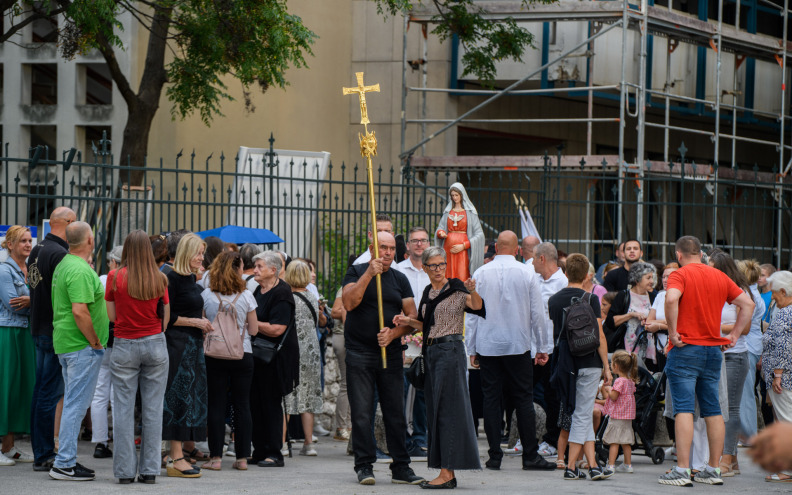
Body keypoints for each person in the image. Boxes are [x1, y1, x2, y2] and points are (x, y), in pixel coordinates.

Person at [658, 236, 754, 487]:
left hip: (686, 347)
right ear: (701, 253)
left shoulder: (681, 274)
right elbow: (748, 304)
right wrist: (733, 335)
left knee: (684, 408)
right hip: (713, 351)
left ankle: (682, 469)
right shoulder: (719, 276)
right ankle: (713, 468)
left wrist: (672, 331)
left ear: (679, 255)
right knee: (713, 410)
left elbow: (670, 299)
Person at [393, 246, 484, 488]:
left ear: (446, 265)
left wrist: (473, 292)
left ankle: (447, 473)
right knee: (436, 411)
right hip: (432, 352)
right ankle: (447, 472)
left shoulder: (455, 288)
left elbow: (476, 306)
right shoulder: (427, 292)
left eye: (441, 264)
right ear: (424, 267)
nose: (437, 269)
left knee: (447, 411)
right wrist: (407, 320)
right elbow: (426, 325)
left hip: (450, 352)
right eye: (432, 265)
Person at [467, 230, 554, 471]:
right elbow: (538, 314)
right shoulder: (527, 273)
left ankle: (494, 455)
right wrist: (543, 347)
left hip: (489, 345)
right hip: (518, 344)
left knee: (492, 399)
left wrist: (471, 348)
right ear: (517, 250)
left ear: (495, 248)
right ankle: (530, 455)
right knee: (523, 399)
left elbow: (473, 312)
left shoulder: (481, 273)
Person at [342, 231, 424, 486]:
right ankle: (364, 465)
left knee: (395, 412)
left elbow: (414, 320)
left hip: (390, 353)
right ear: (372, 248)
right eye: (383, 248)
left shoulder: (400, 279)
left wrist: (394, 333)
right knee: (362, 413)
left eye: (391, 248)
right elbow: (348, 302)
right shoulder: (356, 272)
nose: (388, 252)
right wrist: (369, 274)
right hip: (359, 353)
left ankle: (401, 466)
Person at [105, 230, 170, 484]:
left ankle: (124, 472)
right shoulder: (160, 278)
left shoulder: (114, 276)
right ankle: (150, 471)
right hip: (154, 342)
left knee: (123, 409)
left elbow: (111, 316)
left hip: (124, 343)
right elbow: (164, 317)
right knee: (153, 410)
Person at [49, 221, 109, 481]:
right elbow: (79, 310)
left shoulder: (64, 264)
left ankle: (66, 460)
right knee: (75, 404)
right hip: (80, 346)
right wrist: (95, 341)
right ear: (90, 241)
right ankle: (64, 463)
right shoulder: (81, 270)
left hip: (68, 343)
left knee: (73, 402)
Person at [548, 253, 613, 481]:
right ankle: (571, 466)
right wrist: (607, 367)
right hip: (589, 361)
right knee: (583, 414)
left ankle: (593, 465)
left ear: (565, 273)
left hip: (565, 362)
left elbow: (557, 334)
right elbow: (600, 336)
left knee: (579, 412)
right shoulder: (591, 299)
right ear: (587, 274)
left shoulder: (553, 300)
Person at [27, 206, 76, 471]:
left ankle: (40, 449)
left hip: (39, 327)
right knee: (49, 394)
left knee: (41, 392)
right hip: (53, 331)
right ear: (68, 223)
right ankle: (44, 453)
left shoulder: (39, 249)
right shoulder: (59, 254)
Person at [201, 251, 258, 471]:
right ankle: (242, 458)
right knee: (242, 404)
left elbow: (203, 323)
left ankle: (215, 458)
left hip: (214, 355)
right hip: (242, 355)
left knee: (216, 404)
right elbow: (253, 329)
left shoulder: (206, 295)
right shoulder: (246, 296)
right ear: (237, 269)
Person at [163, 233, 212, 478]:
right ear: (186, 253)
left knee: (188, 400)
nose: (201, 258)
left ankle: (177, 454)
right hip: (177, 346)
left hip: (190, 346)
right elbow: (165, 318)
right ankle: (175, 457)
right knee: (178, 400)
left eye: (202, 253)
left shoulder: (188, 278)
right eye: (198, 253)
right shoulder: (171, 278)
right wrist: (195, 322)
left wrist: (199, 324)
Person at [249, 251, 298, 468]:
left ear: (273, 270)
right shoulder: (258, 289)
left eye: (259, 266)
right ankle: (259, 450)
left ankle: (274, 453)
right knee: (255, 403)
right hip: (258, 356)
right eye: (255, 266)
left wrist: (250, 322)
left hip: (275, 358)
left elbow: (278, 328)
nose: (255, 270)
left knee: (270, 404)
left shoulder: (282, 292)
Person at [708, 251, 754, 477]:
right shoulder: (715, 289)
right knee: (722, 407)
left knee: (731, 409)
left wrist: (712, 326)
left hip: (735, 354)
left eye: (711, 266)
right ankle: (733, 459)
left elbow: (744, 328)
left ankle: (726, 458)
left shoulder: (740, 292)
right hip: (719, 353)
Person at [394, 226, 431, 457]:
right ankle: (402, 437)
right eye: (414, 241)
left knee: (424, 388)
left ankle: (420, 436)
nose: (419, 244)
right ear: (407, 245)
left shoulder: (434, 270)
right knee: (402, 388)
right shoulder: (398, 270)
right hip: (403, 336)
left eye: (423, 240)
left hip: (426, 337)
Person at [0, 226, 35, 465]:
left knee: (19, 389)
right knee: (5, 387)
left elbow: (33, 301)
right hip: (8, 332)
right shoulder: (4, 271)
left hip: (25, 333)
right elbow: (13, 304)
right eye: (22, 240)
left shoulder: (30, 270)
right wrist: (38, 304)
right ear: (10, 244)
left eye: (29, 240)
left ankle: (9, 446)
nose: (28, 244)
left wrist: (32, 302)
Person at [530, 242, 567, 459]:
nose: (532, 262)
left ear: (542, 259)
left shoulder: (563, 283)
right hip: (531, 347)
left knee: (553, 396)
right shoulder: (532, 279)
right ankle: (526, 438)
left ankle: (551, 441)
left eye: (534, 258)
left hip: (553, 348)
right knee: (523, 393)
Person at [284, 260, 324, 456]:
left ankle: (282, 444)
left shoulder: (287, 298)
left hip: (291, 350)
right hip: (311, 352)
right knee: (307, 396)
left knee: (287, 395)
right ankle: (309, 444)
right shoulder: (312, 297)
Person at [91, 245, 123, 460]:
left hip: (103, 339)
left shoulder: (102, 279)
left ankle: (100, 442)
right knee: (119, 393)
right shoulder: (130, 279)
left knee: (100, 393)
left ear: (113, 261)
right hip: (122, 339)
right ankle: (121, 439)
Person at [760, 270, 792, 482]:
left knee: (786, 422)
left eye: (774, 294)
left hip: (784, 377)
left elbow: (783, 345)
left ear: (783, 291)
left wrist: (777, 374)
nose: (772, 298)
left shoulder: (785, 313)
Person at [735, 260, 765, 448]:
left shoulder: (747, 294)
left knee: (745, 393)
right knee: (745, 392)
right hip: (754, 345)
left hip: (749, 346)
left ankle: (748, 435)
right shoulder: (754, 293)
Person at [604, 262, 657, 363]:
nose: (651, 281)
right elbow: (610, 322)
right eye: (648, 278)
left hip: (648, 350)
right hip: (625, 351)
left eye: (652, 277)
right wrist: (631, 315)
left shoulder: (653, 296)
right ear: (637, 280)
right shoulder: (623, 296)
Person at [434, 183, 484, 281]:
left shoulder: (470, 212)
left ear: (462, 195)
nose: (454, 197)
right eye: (452, 195)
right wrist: (441, 233)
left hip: (463, 251)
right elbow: (440, 228)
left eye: (456, 195)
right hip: (448, 249)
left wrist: (464, 246)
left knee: (462, 274)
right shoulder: (448, 212)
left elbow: (480, 234)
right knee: (448, 274)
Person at [603, 350, 639, 474]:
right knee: (625, 441)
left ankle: (611, 465)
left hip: (618, 415)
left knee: (614, 441)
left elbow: (614, 396)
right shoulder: (630, 381)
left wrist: (608, 389)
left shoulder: (619, 381)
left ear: (616, 366)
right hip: (627, 416)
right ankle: (628, 465)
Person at [645, 262, 680, 372]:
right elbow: (648, 323)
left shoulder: (682, 296)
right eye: (663, 276)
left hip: (675, 347)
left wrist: (658, 325)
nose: (665, 280)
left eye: (669, 276)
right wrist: (666, 323)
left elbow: (680, 323)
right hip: (659, 348)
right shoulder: (660, 296)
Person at [330, 283, 351, 441]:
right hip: (344, 337)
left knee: (353, 383)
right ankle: (342, 427)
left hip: (349, 337)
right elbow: (335, 311)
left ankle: (347, 426)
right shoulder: (346, 287)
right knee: (347, 383)